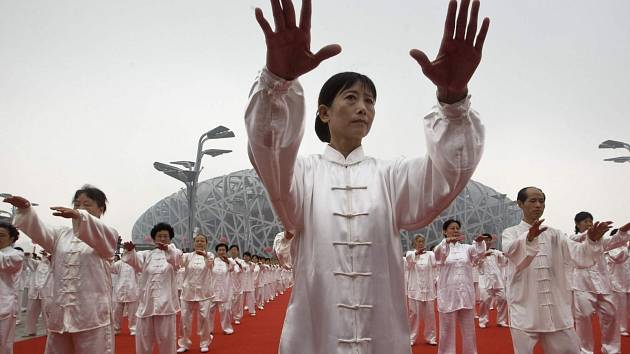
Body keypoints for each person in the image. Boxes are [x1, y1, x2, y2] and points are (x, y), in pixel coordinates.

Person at [247, 0, 488, 351]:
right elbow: (269, 148)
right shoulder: (303, 174)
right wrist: (277, 82)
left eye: (370, 101)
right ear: (324, 113)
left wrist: (453, 102)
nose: (364, 107)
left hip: (383, 337)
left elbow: (449, 174)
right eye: (352, 97)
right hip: (316, 338)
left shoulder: (390, 175)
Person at [501, 187, 630, 354]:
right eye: (533, 201)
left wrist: (592, 240)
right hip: (525, 307)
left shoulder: (555, 234)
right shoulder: (510, 233)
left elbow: (579, 255)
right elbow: (512, 252)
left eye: (541, 201)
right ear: (520, 204)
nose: (538, 205)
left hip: (556, 310)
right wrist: (529, 238)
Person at [5, 186, 119, 354]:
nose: (80, 208)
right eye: (77, 204)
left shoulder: (107, 235)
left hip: (91, 314)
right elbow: (40, 231)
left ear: (100, 209)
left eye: (87, 204)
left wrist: (81, 216)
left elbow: (105, 241)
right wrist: (26, 209)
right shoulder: (61, 235)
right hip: (61, 312)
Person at [569, 212, 627, 354]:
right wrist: (590, 235)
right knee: (584, 318)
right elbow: (579, 237)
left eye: (590, 221)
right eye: (585, 221)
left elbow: (616, 240)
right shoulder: (573, 239)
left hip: (603, 284)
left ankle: (611, 350)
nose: (589, 224)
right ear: (577, 224)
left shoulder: (602, 241)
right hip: (582, 285)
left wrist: (623, 231)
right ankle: (585, 351)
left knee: (611, 315)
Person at [122, 222, 182, 354]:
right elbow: (135, 263)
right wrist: (131, 251)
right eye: (159, 236)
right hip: (146, 304)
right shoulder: (146, 254)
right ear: (154, 239)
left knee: (167, 341)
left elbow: (176, 261)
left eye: (165, 236)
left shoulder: (175, 252)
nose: (162, 239)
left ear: (170, 238)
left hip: (166, 305)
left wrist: (168, 249)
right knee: (143, 341)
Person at [434, 220, 487, 354]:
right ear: (444, 231)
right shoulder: (441, 248)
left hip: (466, 294)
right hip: (448, 294)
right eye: (452, 228)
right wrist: (446, 242)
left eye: (457, 228)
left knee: (469, 330)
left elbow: (478, 257)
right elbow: (439, 256)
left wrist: (479, 242)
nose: (455, 230)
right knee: (446, 331)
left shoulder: (467, 248)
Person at [177, 234, 215, 353]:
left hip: (204, 293)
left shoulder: (210, 255)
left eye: (202, 241)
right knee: (184, 319)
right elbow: (180, 264)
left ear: (206, 243)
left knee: (204, 318)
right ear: (194, 243)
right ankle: (184, 343)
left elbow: (210, 266)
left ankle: (204, 342)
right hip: (188, 291)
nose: (199, 243)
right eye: (197, 241)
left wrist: (204, 255)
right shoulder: (188, 256)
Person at [405, 234, 438, 346]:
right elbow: (409, 263)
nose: (421, 243)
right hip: (415, 290)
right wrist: (416, 254)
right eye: (418, 241)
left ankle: (431, 337)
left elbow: (435, 265)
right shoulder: (410, 254)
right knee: (414, 314)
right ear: (414, 243)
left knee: (430, 314)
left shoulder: (430, 254)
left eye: (422, 241)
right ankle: (411, 337)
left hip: (428, 290)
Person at [0, 222, 24, 354]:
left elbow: (3, 262)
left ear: (11, 238)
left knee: (3, 343)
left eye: (1, 235)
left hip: (4, 306)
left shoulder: (16, 255)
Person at [476, 234, 508, 328]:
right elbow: (474, 264)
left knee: (503, 299)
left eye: (489, 240)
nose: (487, 242)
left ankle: (501, 320)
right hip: (484, 280)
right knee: (485, 300)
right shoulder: (477, 253)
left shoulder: (496, 252)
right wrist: (482, 256)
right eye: (485, 240)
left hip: (497, 280)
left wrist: (505, 255)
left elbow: (503, 262)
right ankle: (483, 320)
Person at [605, 230, 630, 336]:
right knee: (620, 307)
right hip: (617, 283)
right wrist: (627, 248)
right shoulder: (612, 250)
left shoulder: (626, 248)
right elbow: (618, 258)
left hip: (627, 282)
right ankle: (621, 328)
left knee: (627, 306)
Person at [209, 243, 236, 335]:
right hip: (212, 290)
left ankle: (227, 328)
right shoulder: (212, 261)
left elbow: (234, 269)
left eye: (223, 250)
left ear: (226, 251)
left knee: (225, 310)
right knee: (209, 311)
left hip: (225, 289)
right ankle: (209, 329)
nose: (221, 252)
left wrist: (228, 262)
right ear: (216, 252)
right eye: (219, 250)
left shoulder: (230, 261)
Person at [111, 252, 140, 336]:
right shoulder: (120, 263)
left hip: (132, 290)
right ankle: (116, 328)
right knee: (117, 312)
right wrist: (110, 258)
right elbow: (112, 268)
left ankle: (134, 329)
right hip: (120, 290)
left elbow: (140, 270)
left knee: (132, 312)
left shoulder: (135, 264)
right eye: (125, 252)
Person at [24, 250, 52, 336]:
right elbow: (30, 263)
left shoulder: (51, 265)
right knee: (31, 311)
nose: (44, 255)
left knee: (46, 312)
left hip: (46, 292)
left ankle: (49, 332)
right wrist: (27, 256)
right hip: (35, 292)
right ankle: (31, 331)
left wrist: (48, 256)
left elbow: (52, 262)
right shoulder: (37, 264)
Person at [228, 244, 244, 324]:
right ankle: (229, 317)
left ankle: (237, 317)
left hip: (238, 285)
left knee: (238, 303)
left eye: (235, 250)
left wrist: (239, 265)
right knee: (229, 302)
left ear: (237, 251)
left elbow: (242, 270)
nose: (233, 251)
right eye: (232, 250)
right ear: (230, 251)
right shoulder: (227, 260)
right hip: (228, 285)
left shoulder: (241, 261)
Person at [241, 252, 257, 317]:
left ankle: (252, 311)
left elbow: (253, 270)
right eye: (245, 256)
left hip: (250, 284)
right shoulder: (241, 263)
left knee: (251, 298)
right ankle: (239, 312)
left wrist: (250, 265)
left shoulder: (252, 264)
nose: (246, 257)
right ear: (243, 257)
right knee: (241, 300)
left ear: (249, 257)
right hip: (242, 284)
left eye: (247, 256)